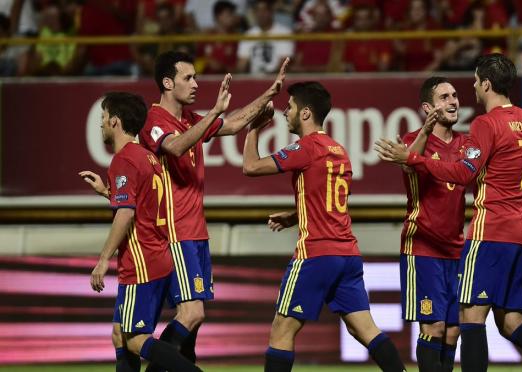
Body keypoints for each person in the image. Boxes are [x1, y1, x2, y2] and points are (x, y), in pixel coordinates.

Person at [375, 53, 522, 372]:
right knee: (511, 322)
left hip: (490, 233)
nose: (473, 89)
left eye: (476, 82)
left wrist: (414, 160)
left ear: (487, 84)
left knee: (469, 318)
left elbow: (463, 173)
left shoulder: (485, 125)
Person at [242, 81, 407, 372]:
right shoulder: (339, 150)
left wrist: (254, 128)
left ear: (305, 114)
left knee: (282, 330)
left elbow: (251, 167)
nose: (285, 112)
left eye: (290, 107)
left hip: (315, 254)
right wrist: (295, 215)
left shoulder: (306, 147)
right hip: (347, 255)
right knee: (364, 329)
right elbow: (336, 200)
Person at [137, 51, 287, 369]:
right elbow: (176, 147)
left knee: (194, 324)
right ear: (167, 82)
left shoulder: (189, 119)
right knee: (192, 313)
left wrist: (269, 94)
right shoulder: (153, 120)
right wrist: (215, 112)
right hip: (174, 230)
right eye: (187, 78)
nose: (195, 84)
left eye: (195, 77)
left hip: (196, 231)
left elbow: (231, 125)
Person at [83, 92, 203, 372]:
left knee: (135, 339)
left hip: (141, 262)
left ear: (115, 121)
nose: (101, 124)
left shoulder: (124, 160)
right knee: (119, 333)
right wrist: (108, 192)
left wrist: (102, 260)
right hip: (157, 257)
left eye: (103, 118)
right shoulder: (148, 158)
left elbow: (127, 213)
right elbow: (142, 204)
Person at [399, 77, 466, 372]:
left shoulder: (468, 144)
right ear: (428, 107)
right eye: (444, 97)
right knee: (434, 326)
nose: (453, 101)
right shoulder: (411, 140)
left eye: (454, 95)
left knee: (453, 330)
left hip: (457, 249)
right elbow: (406, 162)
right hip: (423, 247)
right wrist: (426, 130)